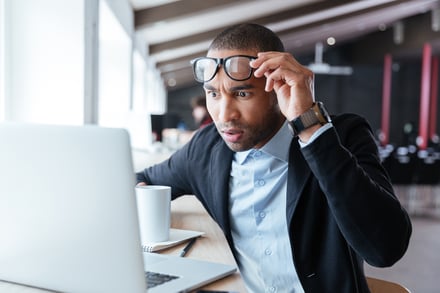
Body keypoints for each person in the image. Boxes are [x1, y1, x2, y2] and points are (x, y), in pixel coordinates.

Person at [137, 23, 412, 292]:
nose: (223, 114)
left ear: (278, 88)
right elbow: (145, 180)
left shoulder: (342, 136)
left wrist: (311, 128)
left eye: (242, 93)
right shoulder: (205, 150)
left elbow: (385, 249)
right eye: (213, 94)